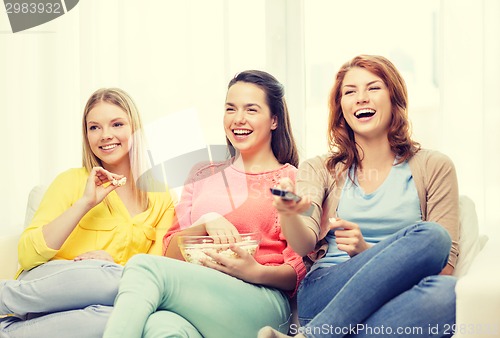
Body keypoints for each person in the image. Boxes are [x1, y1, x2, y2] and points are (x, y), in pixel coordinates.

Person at [259, 55, 459, 338]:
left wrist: (369, 253)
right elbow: (303, 243)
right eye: (350, 92)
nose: (361, 98)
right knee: (435, 239)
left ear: (394, 98)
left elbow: (444, 267)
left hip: (398, 296)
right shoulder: (319, 168)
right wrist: (289, 214)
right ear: (341, 107)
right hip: (327, 289)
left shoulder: (434, 166)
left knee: (442, 270)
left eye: (373, 88)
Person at [103, 70, 307, 338]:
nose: (238, 119)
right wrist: (205, 222)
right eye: (230, 109)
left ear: (274, 120)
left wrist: (254, 271)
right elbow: (170, 254)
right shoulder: (203, 173)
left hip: (261, 301)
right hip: (202, 297)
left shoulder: (289, 178)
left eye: (251, 110)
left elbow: (298, 271)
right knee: (161, 328)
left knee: (142, 266)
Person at [0, 88, 175, 338]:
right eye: (94, 127)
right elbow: (28, 255)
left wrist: (113, 266)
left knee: (120, 316)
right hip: (47, 286)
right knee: (104, 278)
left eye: (116, 124)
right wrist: (84, 203)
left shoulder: (162, 197)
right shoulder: (71, 181)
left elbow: (155, 273)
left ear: (134, 128)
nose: (105, 135)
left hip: (105, 301)